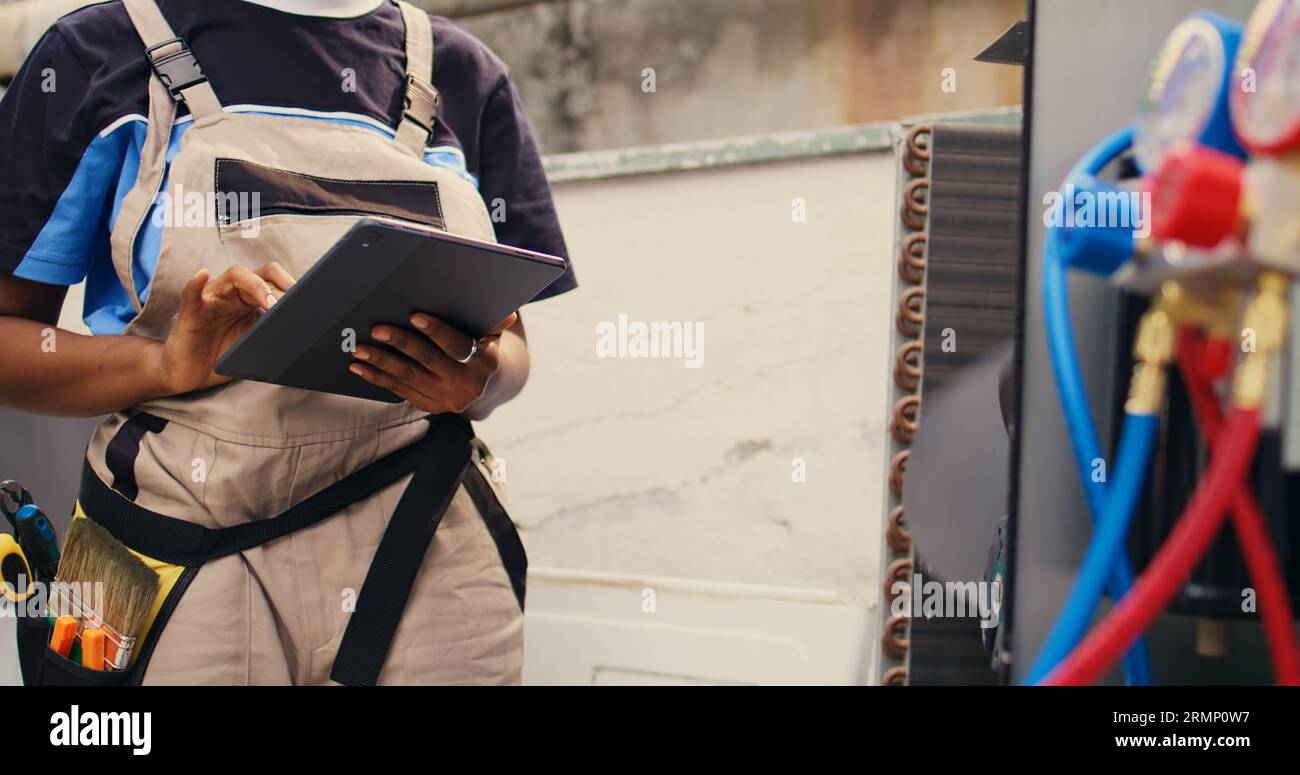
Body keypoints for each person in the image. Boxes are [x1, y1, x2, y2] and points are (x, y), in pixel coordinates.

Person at [0, 0, 575, 684]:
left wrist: (478, 380)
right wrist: (161, 365)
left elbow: (511, 347)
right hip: (171, 546)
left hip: (427, 540)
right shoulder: (95, 54)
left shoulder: (463, 73)